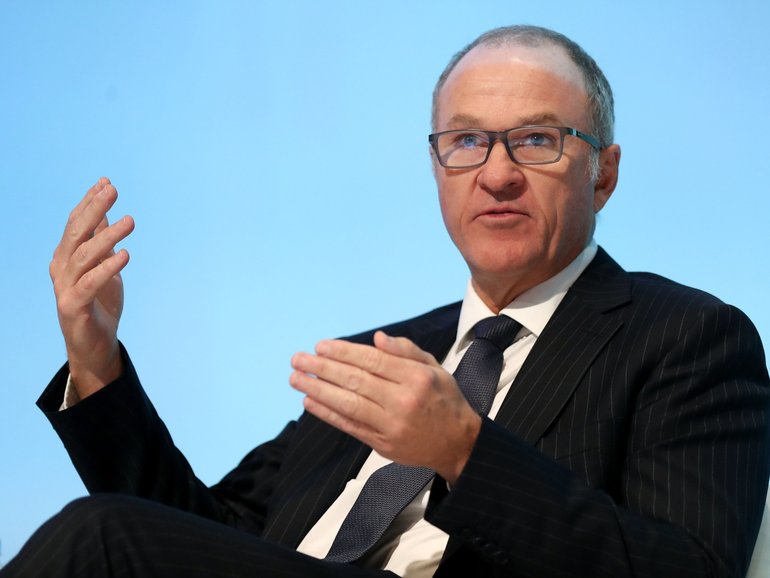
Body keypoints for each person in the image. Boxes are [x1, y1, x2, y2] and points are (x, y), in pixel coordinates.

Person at [3, 24, 769, 578]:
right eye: (466, 142)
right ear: (436, 168)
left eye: (537, 140)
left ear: (603, 173)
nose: (497, 173)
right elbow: (197, 538)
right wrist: (95, 364)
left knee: (102, 536)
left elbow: (693, 567)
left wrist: (464, 452)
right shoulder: (383, 356)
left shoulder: (688, 337)